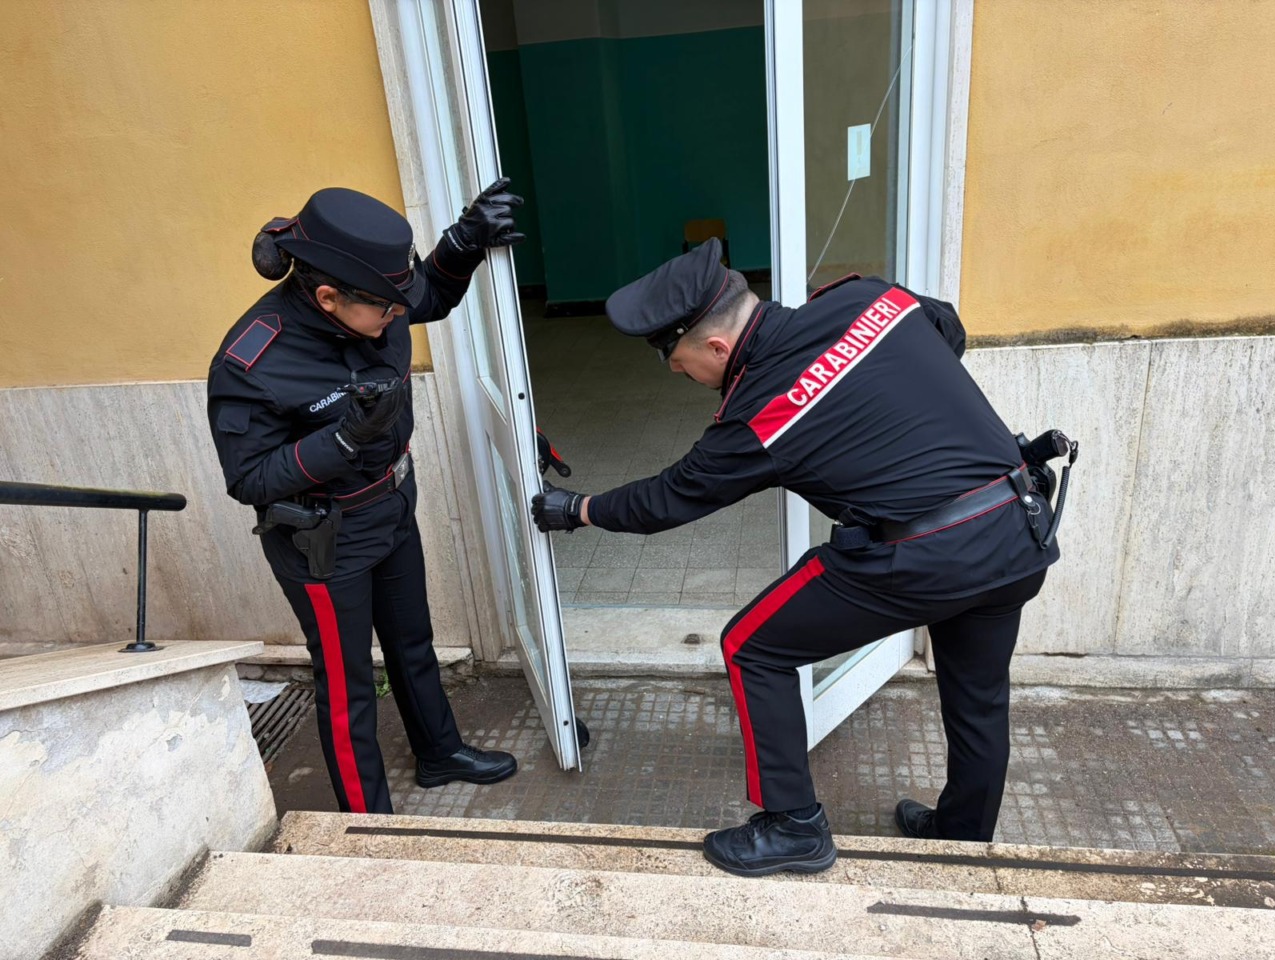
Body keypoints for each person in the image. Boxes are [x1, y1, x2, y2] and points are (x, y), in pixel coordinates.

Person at [532, 238, 1068, 877]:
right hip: (1017, 529)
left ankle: (793, 827)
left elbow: (664, 501)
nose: (677, 374)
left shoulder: (760, 414)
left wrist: (578, 509)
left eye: (676, 362)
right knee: (979, 700)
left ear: (717, 348)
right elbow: (946, 325)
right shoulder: (867, 296)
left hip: (923, 555)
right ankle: (961, 844)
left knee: (752, 646)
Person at [208, 181, 525, 814]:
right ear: (328, 297)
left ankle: (439, 753)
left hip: (392, 507)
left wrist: (464, 240)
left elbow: (426, 295)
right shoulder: (254, 362)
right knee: (349, 684)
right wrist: (344, 439)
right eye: (385, 308)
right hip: (324, 541)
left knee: (413, 643)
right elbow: (249, 479)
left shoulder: (376, 295)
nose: (400, 316)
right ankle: (367, 824)